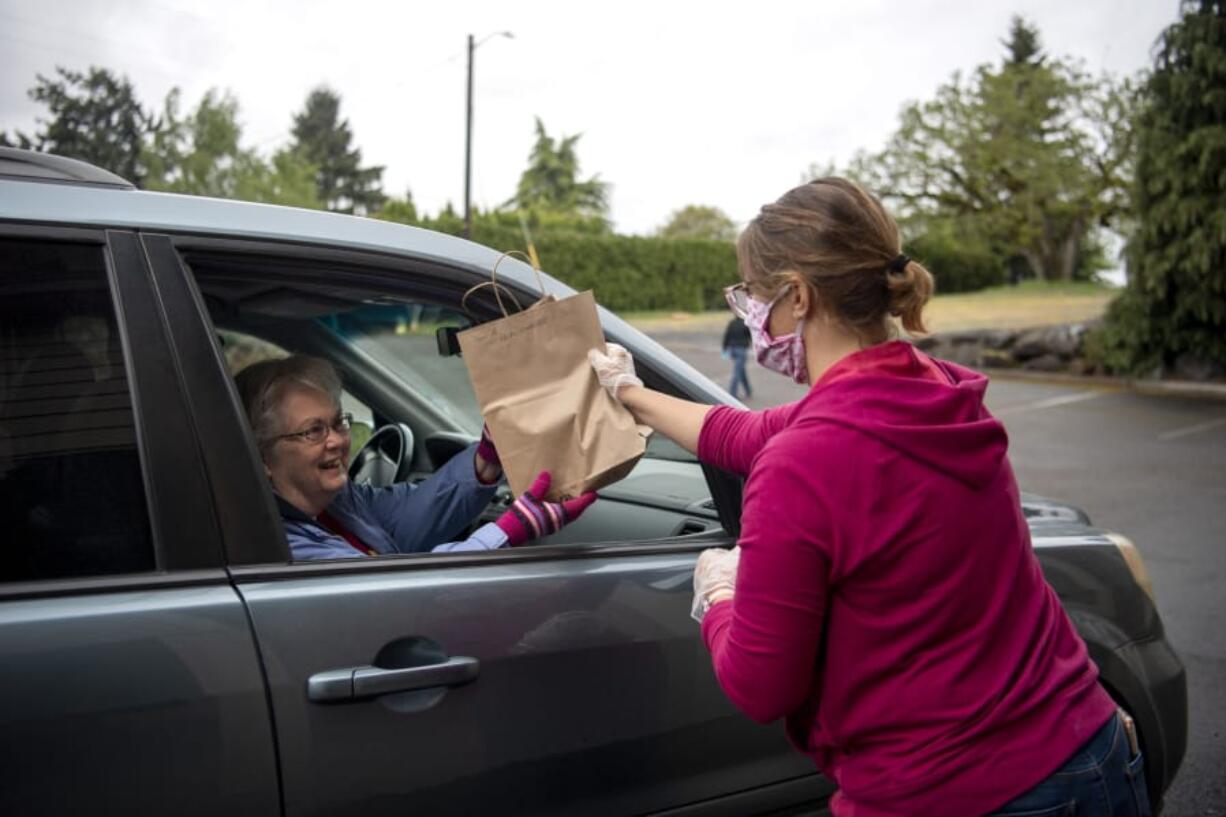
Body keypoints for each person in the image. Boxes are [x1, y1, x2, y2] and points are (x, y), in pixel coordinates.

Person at [588, 178, 1147, 816]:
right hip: (1088, 746)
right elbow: (740, 433)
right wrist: (630, 392)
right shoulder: (932, 388)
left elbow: (760, 685)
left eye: (751, 293)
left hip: (952, 795)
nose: (749, 313)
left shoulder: (805, 462)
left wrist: (719, 595)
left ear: (797, 297)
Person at [236, 354, 595, 560]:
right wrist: (507, 532)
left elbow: (407, 517)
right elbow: (388, 591)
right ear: (262, 457)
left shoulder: (335, 502)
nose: (337, 442)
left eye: (338, 423)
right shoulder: (276, 543)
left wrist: (486, 462)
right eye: (313, 431)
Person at [721, 314, 752, 399]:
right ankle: (732, 393)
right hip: (741, 350)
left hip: (732, 349)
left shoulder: (732, 323)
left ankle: (748, 390)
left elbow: (726, 336)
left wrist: (724, 347)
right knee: (737, 372)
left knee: (741, 370)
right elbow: (751, 336)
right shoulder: (746, 324)